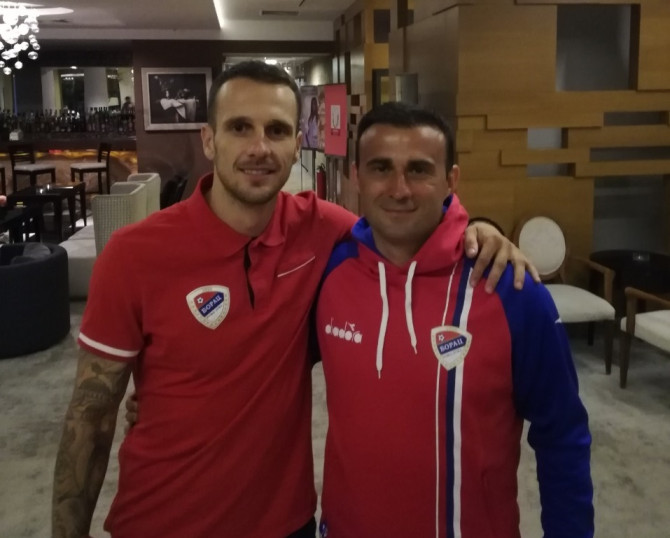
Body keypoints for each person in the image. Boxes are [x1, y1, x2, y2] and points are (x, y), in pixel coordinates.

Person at [51, 61, 537, 538]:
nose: (259, 147)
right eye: (240, 127)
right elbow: (90, 416)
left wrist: (479, 231)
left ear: (297, 141)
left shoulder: (323, 230)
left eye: (277, 130)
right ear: (209, 139)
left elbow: (408, 226)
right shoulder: (135, 255)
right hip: (160, 521)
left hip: (286, 524)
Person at [315, 102, 594, 537]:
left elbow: (562, 435)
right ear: (356, 177)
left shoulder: (510, 289)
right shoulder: (329, 273)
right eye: (380, 168)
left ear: (451, 180)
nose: (399, 189)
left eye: (419, 170)